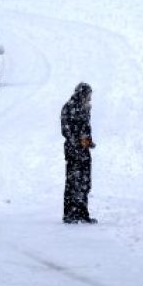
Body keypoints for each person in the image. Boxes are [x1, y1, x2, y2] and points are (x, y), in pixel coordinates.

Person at [61, 82, 97, 224]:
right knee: (73, 182)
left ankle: (82, 213)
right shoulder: (69, 107)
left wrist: (88, 141)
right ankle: (70, 214)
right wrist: (77, 142)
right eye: (88, 96)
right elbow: (66, 130)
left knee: (85, 182)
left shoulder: (84, 108)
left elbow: (85, 129)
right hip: (73, 151)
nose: (89, 99)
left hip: (83, 150)